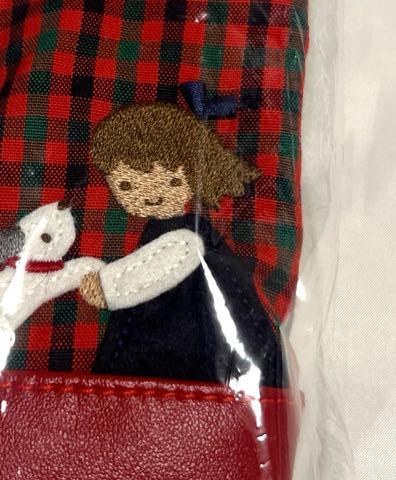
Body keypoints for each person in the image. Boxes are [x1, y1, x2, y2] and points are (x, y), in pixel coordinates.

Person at [79, 100, 285, 388]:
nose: (150, 195)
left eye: (171, 181)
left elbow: (161, 264)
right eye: (127, 185)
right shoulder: (168, 227)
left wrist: (107, 287)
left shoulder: (186, 234)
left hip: (176, 343)